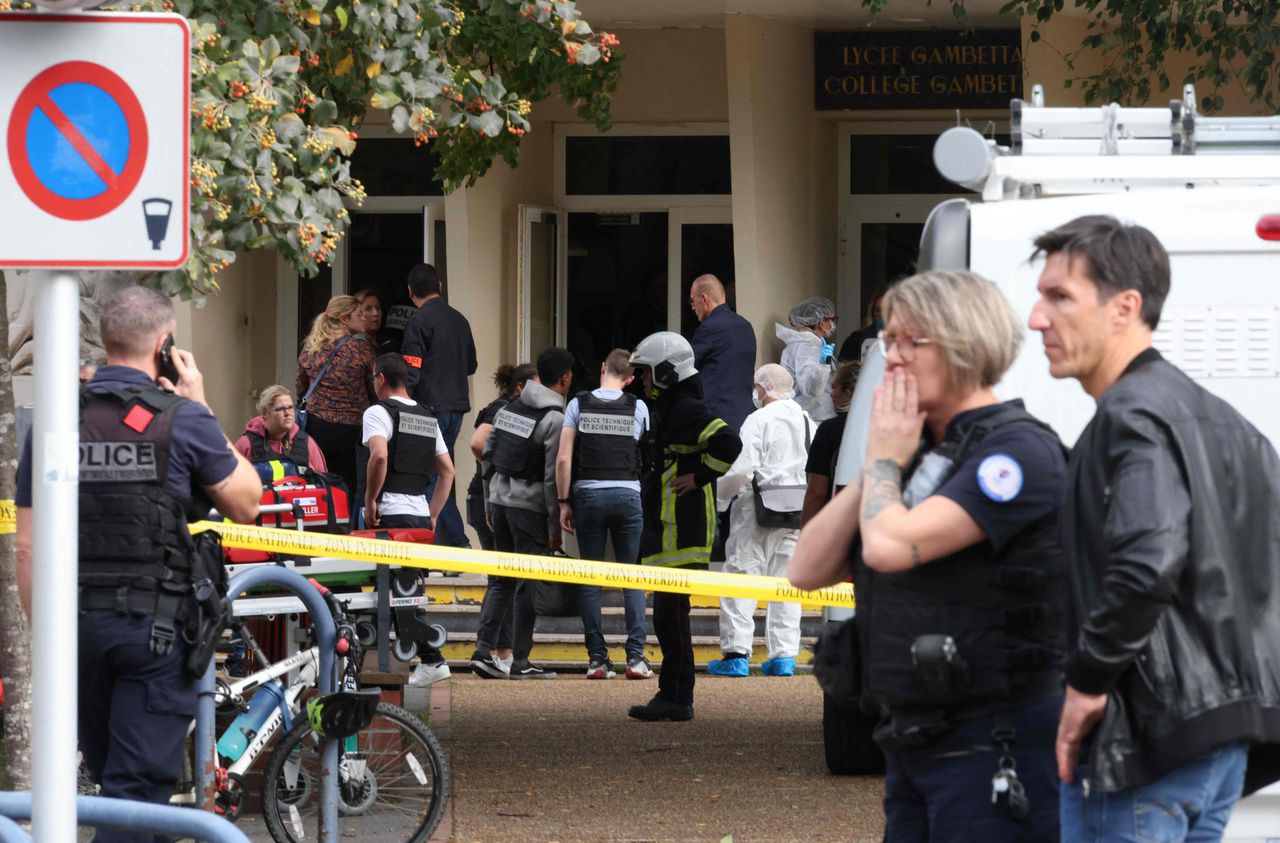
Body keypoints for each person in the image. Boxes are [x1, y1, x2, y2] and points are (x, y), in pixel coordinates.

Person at [789, 269, 1069, 840]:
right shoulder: (916, 454)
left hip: (995, 742)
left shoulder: (1015, 453)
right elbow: (807, 570)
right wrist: (876, 468)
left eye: (906, 342)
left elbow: (891, 547)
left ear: (963, 346)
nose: (887, 358)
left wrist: (887, 462)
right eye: (886, 340)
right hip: (915, 739)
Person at [1027, 216, 1280, 840]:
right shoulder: (1228, 423)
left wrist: (1087, 683)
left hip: (1143, 744)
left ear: (1125, 308)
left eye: (1059, 296)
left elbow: (1148, 562)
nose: (1037, 318)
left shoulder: (1131, 416)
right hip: (1219, 743)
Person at [15, 287, 262, 839]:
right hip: (153, 633)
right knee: (135, 795)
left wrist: (51, 643)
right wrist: (200, 405)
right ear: (165, 343)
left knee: (109, 784)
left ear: (106, 341)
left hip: (74, 630)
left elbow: (28, 548)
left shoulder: (56, 420)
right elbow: (247, 504)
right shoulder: (182, 419)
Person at [626, 332, 742, 721]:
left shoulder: (687, 409)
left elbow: (729, 442)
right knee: (668, 618)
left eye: (646, 374)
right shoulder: (673, 408)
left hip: (683, 531)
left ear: (665, 372)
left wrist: (700, 476)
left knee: (672, 617)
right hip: (669, 530)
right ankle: (673, 695)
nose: (642, 382)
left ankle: (676, 697)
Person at [470, 347, 573, 680]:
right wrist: (553, 522)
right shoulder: (555, 419)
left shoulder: (509, 409)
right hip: (528, 511)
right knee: (526, 586)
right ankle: (521, 660)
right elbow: (548, 478)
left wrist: (488, 503)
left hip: (498, 504)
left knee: (501, 580)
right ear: (566, 378)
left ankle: (482, 652)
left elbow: (487, 455)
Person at [707, 364, 812, 678]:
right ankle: (783, 656)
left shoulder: (758, 419)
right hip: (797, 511)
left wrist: (721, 503)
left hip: (758, 509)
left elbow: (741, 468)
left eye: (756, 386)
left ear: (763, 388)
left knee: (741, 576)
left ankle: (737, 654)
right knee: (786, 584)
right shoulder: (808, 421)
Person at [556, 349, 655, 681]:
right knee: (632, 578)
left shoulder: (577, 404)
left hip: (588, 495)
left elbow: (563, 460)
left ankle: (597, 660)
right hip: (628, 495)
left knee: (591, 578)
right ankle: (636, 659)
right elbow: (645, 452)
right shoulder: (637, 407)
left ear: (602, 368)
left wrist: (563, 501)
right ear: (629, 380)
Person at [360, 353, 457, 688]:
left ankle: (430, 658)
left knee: (393, 591)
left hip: (391, 512)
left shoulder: (378, 412)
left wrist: (371, 499)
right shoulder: (427, 417)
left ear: (381, 378)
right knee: (405, 590)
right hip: (417, 514)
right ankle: (409, 659)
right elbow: (448, 471)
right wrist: (432, 514)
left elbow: (380, 455)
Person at [466, 363, 536, 676]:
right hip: (490, 500)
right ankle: (486, 650)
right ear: (520, 386)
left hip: (491, 499)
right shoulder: (502, 410)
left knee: (506, 578)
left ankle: (502, 652)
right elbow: (478, 443)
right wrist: (499, 471)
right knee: (502, 580)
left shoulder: (509, 408)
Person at [400, 263, 477, 548]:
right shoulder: (460, 320)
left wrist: (403, 405)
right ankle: (449, 543)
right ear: (440, 286)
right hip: (456, 408)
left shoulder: (418, 322)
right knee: (442, 474)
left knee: (430, 477)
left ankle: (454, 543)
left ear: (410, 291)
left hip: (427, 409)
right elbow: (471, 365)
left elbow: (411, 371)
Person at [295, 294, 376, 493]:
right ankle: (345, 521)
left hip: (316, 424)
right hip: (351, 428)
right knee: (349, 483)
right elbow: (376, 387)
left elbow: (300, 384)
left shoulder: (312, 346)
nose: (363, 318)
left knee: (319, 479)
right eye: (359, 314)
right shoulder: (361, 349)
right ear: (344, 319)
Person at [688, 274, 756, 433]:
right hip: (745, 414)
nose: (692, 308)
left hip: (716, 416)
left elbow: (687, 366)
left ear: (704, 298)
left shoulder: (709, 328)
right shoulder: (745, 326)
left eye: (692, 301)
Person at [800, 361, 859, 525]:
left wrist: (805, 539)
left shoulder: (830, 430)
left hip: (838, 527)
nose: (832, 394)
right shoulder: (885, 429)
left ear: (849, 393)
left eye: (834, 388)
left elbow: (816, 493)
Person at [235, 385, 330, 484]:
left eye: (290, 407)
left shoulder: (307, 443)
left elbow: (323, 482)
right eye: (280, 409)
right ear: (265, 412)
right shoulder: (247, 444)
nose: (287, 413)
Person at [775, 296, 838, 423]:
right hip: (813, 419)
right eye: (832, 319)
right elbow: (812, 389)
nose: (833, 324)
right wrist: (824, 364)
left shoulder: (813, 345)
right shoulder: (805, 348)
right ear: (821, 322)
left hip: (817, 417)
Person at [838, 284, 886, 363]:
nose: (882, 315)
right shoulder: (855, 340)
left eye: (888, 310)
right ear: (872, 312)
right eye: (878, 310)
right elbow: (844, 372)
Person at [353, 288, 397, 355]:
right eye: (368, 309)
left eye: (378, 308)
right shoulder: (351, 346)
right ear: (356, 314)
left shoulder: (389, 343)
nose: (375, 313)